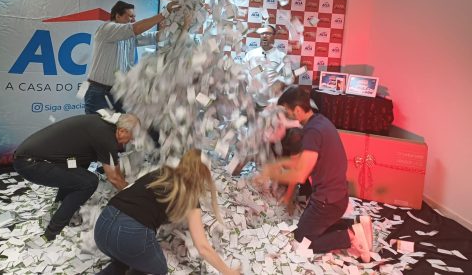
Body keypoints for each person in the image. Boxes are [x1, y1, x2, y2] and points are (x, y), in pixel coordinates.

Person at [254, 86, 372, 262]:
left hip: (327, 202)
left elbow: (300, 175)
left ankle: (349, 236)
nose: (285, 116)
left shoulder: (312, 133)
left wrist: (272, 173)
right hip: (337, 197)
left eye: (286, 111)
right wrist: (276, 165)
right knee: (309, 228)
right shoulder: (320, 121)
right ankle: (356, 223)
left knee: (301, 242)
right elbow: (301, 161)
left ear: (298, 110)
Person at [94, 149, 241, 275]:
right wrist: (228, 272)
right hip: (129, 233)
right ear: (203, 176)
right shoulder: (189, 194)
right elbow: (203, 247)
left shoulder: (160, 173)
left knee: (127, 258)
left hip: (102, 225)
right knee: (158, 269)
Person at [13, 113, 140, 241]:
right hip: (31, 164)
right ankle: (51, 232)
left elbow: (115, 170)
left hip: (32, 158)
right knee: (89, 182)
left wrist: (125, 184)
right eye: (131, 137)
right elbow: (114, 178)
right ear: (122, 131)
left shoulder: (103, 125)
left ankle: (59, 206)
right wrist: (135, 199)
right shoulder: (106, 138)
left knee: (81, 171)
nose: (131, 141)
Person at [85, 0, 180, 114]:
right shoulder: (106, 28)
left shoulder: (129, 35)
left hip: (121, 92)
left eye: (134, 16)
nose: (134, 19)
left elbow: (155, 37)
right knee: (97, 124)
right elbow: (135, 28)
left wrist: (178, 26)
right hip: (99, 92)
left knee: (122, 124)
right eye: (130, 16)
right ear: (118, 16)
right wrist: (165, 13)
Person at [244, 25, 293, 108]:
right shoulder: (250, 54)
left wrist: (280, 82)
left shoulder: (282, 56)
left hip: (272, 104)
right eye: (262, 33)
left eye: (268, 33)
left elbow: (289, 78)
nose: (264, 36)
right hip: (252, 102)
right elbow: (243, 74)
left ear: (274, 36)